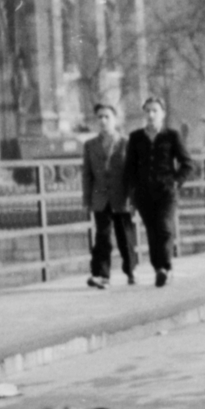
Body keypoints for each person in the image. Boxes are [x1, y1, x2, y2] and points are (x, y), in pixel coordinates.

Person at [124, 96, 195, 287]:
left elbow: (187, 163)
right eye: (147, 111)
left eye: (155, 110)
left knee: (164, 227)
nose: (151, 114)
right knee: (152, 232)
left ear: (162, 114)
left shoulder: (172, 136)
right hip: (144, 193)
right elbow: (129, 169)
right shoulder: (136, 137)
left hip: (166, 191)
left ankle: (165, 266)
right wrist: (131, 195)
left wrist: (176, 182)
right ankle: (159, 269)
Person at [83, 103, 135, 288]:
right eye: (100, 117)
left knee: (124, 236)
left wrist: (133, 198)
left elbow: (132, 173)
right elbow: (87, 174)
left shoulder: (126, 143)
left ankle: (130, 271)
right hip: (100, 197)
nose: (103, 120)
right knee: (102, 236)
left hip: (121, 197)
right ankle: (101, 275)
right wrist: (87, 200)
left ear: (115, 119)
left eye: (107, 117)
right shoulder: (90, 145)